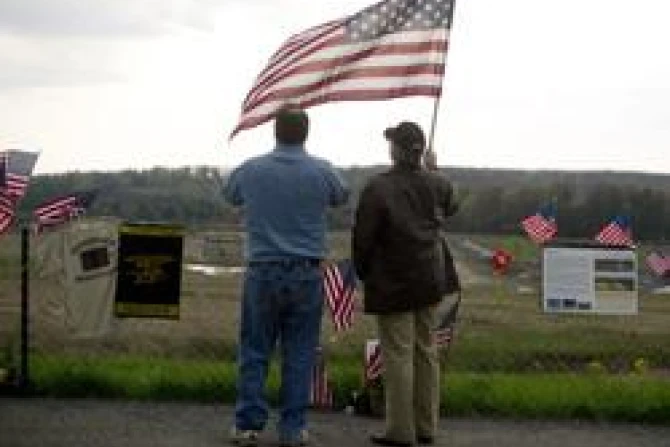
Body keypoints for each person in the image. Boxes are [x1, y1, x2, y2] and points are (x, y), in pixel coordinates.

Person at [224, 107, 349, 447]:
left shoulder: (251, 170)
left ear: (275, 132)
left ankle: (248, 423)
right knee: (300, 353)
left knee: (254, 349)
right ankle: (293, 429)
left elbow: (230, 193)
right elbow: (342, 195)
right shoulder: (322, 171)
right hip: (306, 272)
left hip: (262, 271)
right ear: (305, 133)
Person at [352, 121, 459, 447]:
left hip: (394, 282)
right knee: (426, 351)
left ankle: (400, 431)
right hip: (430, 279)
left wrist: (363, 271)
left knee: (398, 354)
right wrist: (435, 169)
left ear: (396, 149)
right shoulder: (437, 183)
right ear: (420, 151)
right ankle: (427, 427)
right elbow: (452, 205)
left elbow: (363, 239)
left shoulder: (378, 188)